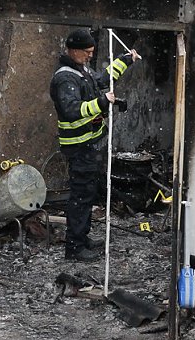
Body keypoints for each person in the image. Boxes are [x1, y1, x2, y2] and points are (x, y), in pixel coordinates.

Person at [49, 28, 140, 261]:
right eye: (87, 52)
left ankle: (82, 238)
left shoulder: (81, 71)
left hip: (88, 143)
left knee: (87, 193)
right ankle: (75, 248)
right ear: (74, 50)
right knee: (80, 196)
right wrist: (101, 102)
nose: (90, 55)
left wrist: (125, 60)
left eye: (92, 51)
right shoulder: (65, 78)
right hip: (77, 146)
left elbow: (102, 80)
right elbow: (71, 111)